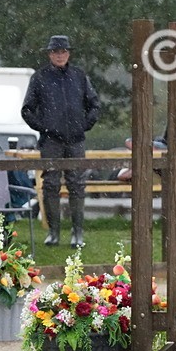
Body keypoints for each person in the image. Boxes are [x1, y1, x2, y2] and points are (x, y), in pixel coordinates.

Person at [20, 35, 101, 247]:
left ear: (68, 53)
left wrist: (85, 124)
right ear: (49, 54)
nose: (60, 55)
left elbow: (94, 104)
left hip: (76, 139)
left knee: (77, 185)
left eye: (63, 51)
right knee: (50, 184)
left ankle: (77, 233)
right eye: (56, 52)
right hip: (51, 141)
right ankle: (54, 232)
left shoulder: (79, 76)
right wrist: (44, 127)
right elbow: (27, 110)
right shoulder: (39, 78)